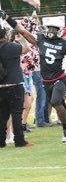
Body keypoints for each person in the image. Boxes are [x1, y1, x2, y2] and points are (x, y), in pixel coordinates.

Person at [23, 16, 66, 145]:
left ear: (59, 30)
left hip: (60, 79)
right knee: (64, 109)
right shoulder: (41, 39)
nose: (51, 30)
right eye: (50, 28)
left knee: (55, 102)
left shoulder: (65, 43)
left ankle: (65, 130)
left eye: (54, 28)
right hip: (46, 81)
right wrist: (7, 18)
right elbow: (23, 32)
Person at [0, 11, 39, 147]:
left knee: (2, 115)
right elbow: (27, 48)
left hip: (1, 86)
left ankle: (1, 141)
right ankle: (19, 140)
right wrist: (20, 35)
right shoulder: (12, 47)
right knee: (16, 114)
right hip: (15, 84)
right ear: (5, 35)